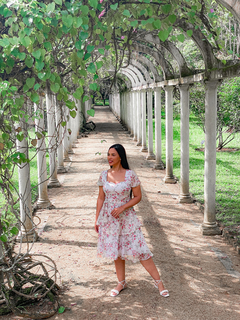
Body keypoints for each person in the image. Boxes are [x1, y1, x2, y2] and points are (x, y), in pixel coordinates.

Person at [95, 144, 169, 298]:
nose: (109, 157)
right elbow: (101, 197)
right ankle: (121, 282)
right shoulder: (103, 175)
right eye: (108, 154)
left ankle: (159, 282)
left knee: (140, 249)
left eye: (113, 154)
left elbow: (137, 196)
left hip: (127, 219)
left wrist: (123, 207)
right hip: (109, 219)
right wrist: (97, 219)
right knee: (117, 252)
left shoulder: (130, 175)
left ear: (121, 156)